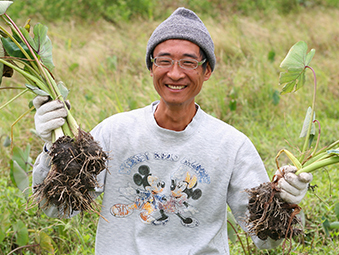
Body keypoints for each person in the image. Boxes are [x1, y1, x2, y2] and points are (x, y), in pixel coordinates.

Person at [32, 7, 312, 255]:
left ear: (207, 71)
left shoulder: (231, 145)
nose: (175, 74)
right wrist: (52, 149)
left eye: (189, 62)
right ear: (151, 67)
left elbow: (267, 240)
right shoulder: (115, 131)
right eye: (164, 61)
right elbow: (56, 209)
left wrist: (287, 202)